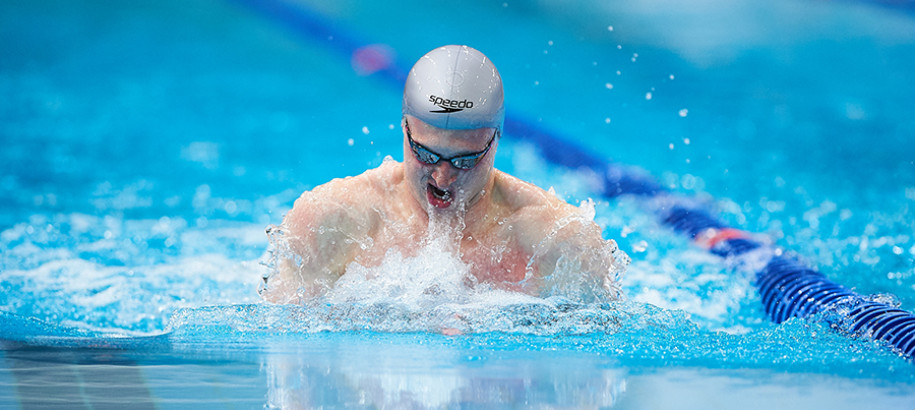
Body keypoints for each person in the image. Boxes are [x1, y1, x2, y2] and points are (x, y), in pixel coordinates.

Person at [262, 45, 628, 304]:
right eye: (425, 153)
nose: (443, 176)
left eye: (465, 160)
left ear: (496, 141)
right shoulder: (331, 221)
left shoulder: (556, 241)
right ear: (404, 127)